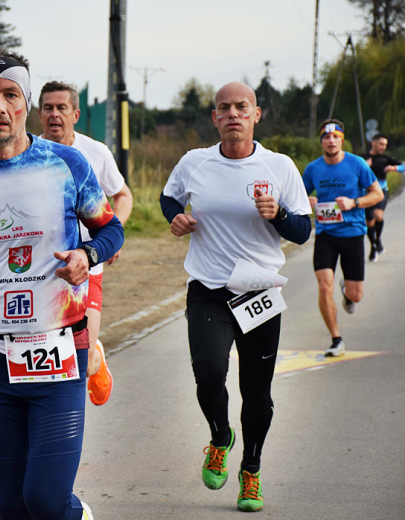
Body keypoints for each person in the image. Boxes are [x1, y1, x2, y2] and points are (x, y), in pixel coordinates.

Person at [0, 47, 124, 520]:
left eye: (10, 94)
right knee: (11, 505)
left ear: (26, 104)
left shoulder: (68, 165)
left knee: (47, 501)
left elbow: (110, 229)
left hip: (60, 352)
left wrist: (87, 254)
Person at [160, 81, 312, 512]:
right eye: (224, 108)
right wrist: (177, 218)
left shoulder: (280, 167)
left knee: (257, 392)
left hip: (259, 292)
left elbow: (302, 231)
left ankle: (251, 470)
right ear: (214, 117)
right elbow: (167, 199)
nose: (233, 114)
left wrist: (278, 214)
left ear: (256, 114)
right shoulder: (194, 163)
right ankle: (219, 436)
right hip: (207, 289)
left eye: (241, 107)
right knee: (208, 373)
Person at [37, 80, 133, 406]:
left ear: (75, 113)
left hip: (87, 263)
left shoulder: (95, 152)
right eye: (48, 108)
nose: (54, 114)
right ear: (39, 114)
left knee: (80, 354)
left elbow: (122, 195)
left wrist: (111, 235)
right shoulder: (26, 154)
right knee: (45, 358)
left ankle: (93, 357)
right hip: (41, 268)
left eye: (61, 108)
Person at [302, 119, 383, 357]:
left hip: (353, 234)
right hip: (325, 234)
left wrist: (354, 202)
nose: (330, 141)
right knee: (324, 286)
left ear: (341, 139)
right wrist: (304, 202)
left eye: (335, 137)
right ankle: (336, 339)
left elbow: (377, 194)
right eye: (326, 138)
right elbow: (295, 196)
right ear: (321, 141)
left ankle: (347, 292)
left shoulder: (357, 164)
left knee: (356, 294)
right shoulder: (313, 169)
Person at [359, 133, 404, 262]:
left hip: (381, 192)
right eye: (381, 144)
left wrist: (394, 167)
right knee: (370, 222)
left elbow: (403, 166)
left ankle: (378, 239)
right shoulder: (362, 158)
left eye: (385, 145)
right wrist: (364, 167)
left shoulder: (386, 158)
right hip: (366, 193)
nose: (383, 147)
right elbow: (352, 172)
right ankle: (373, 245)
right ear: (373, 143)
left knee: (378, 215)